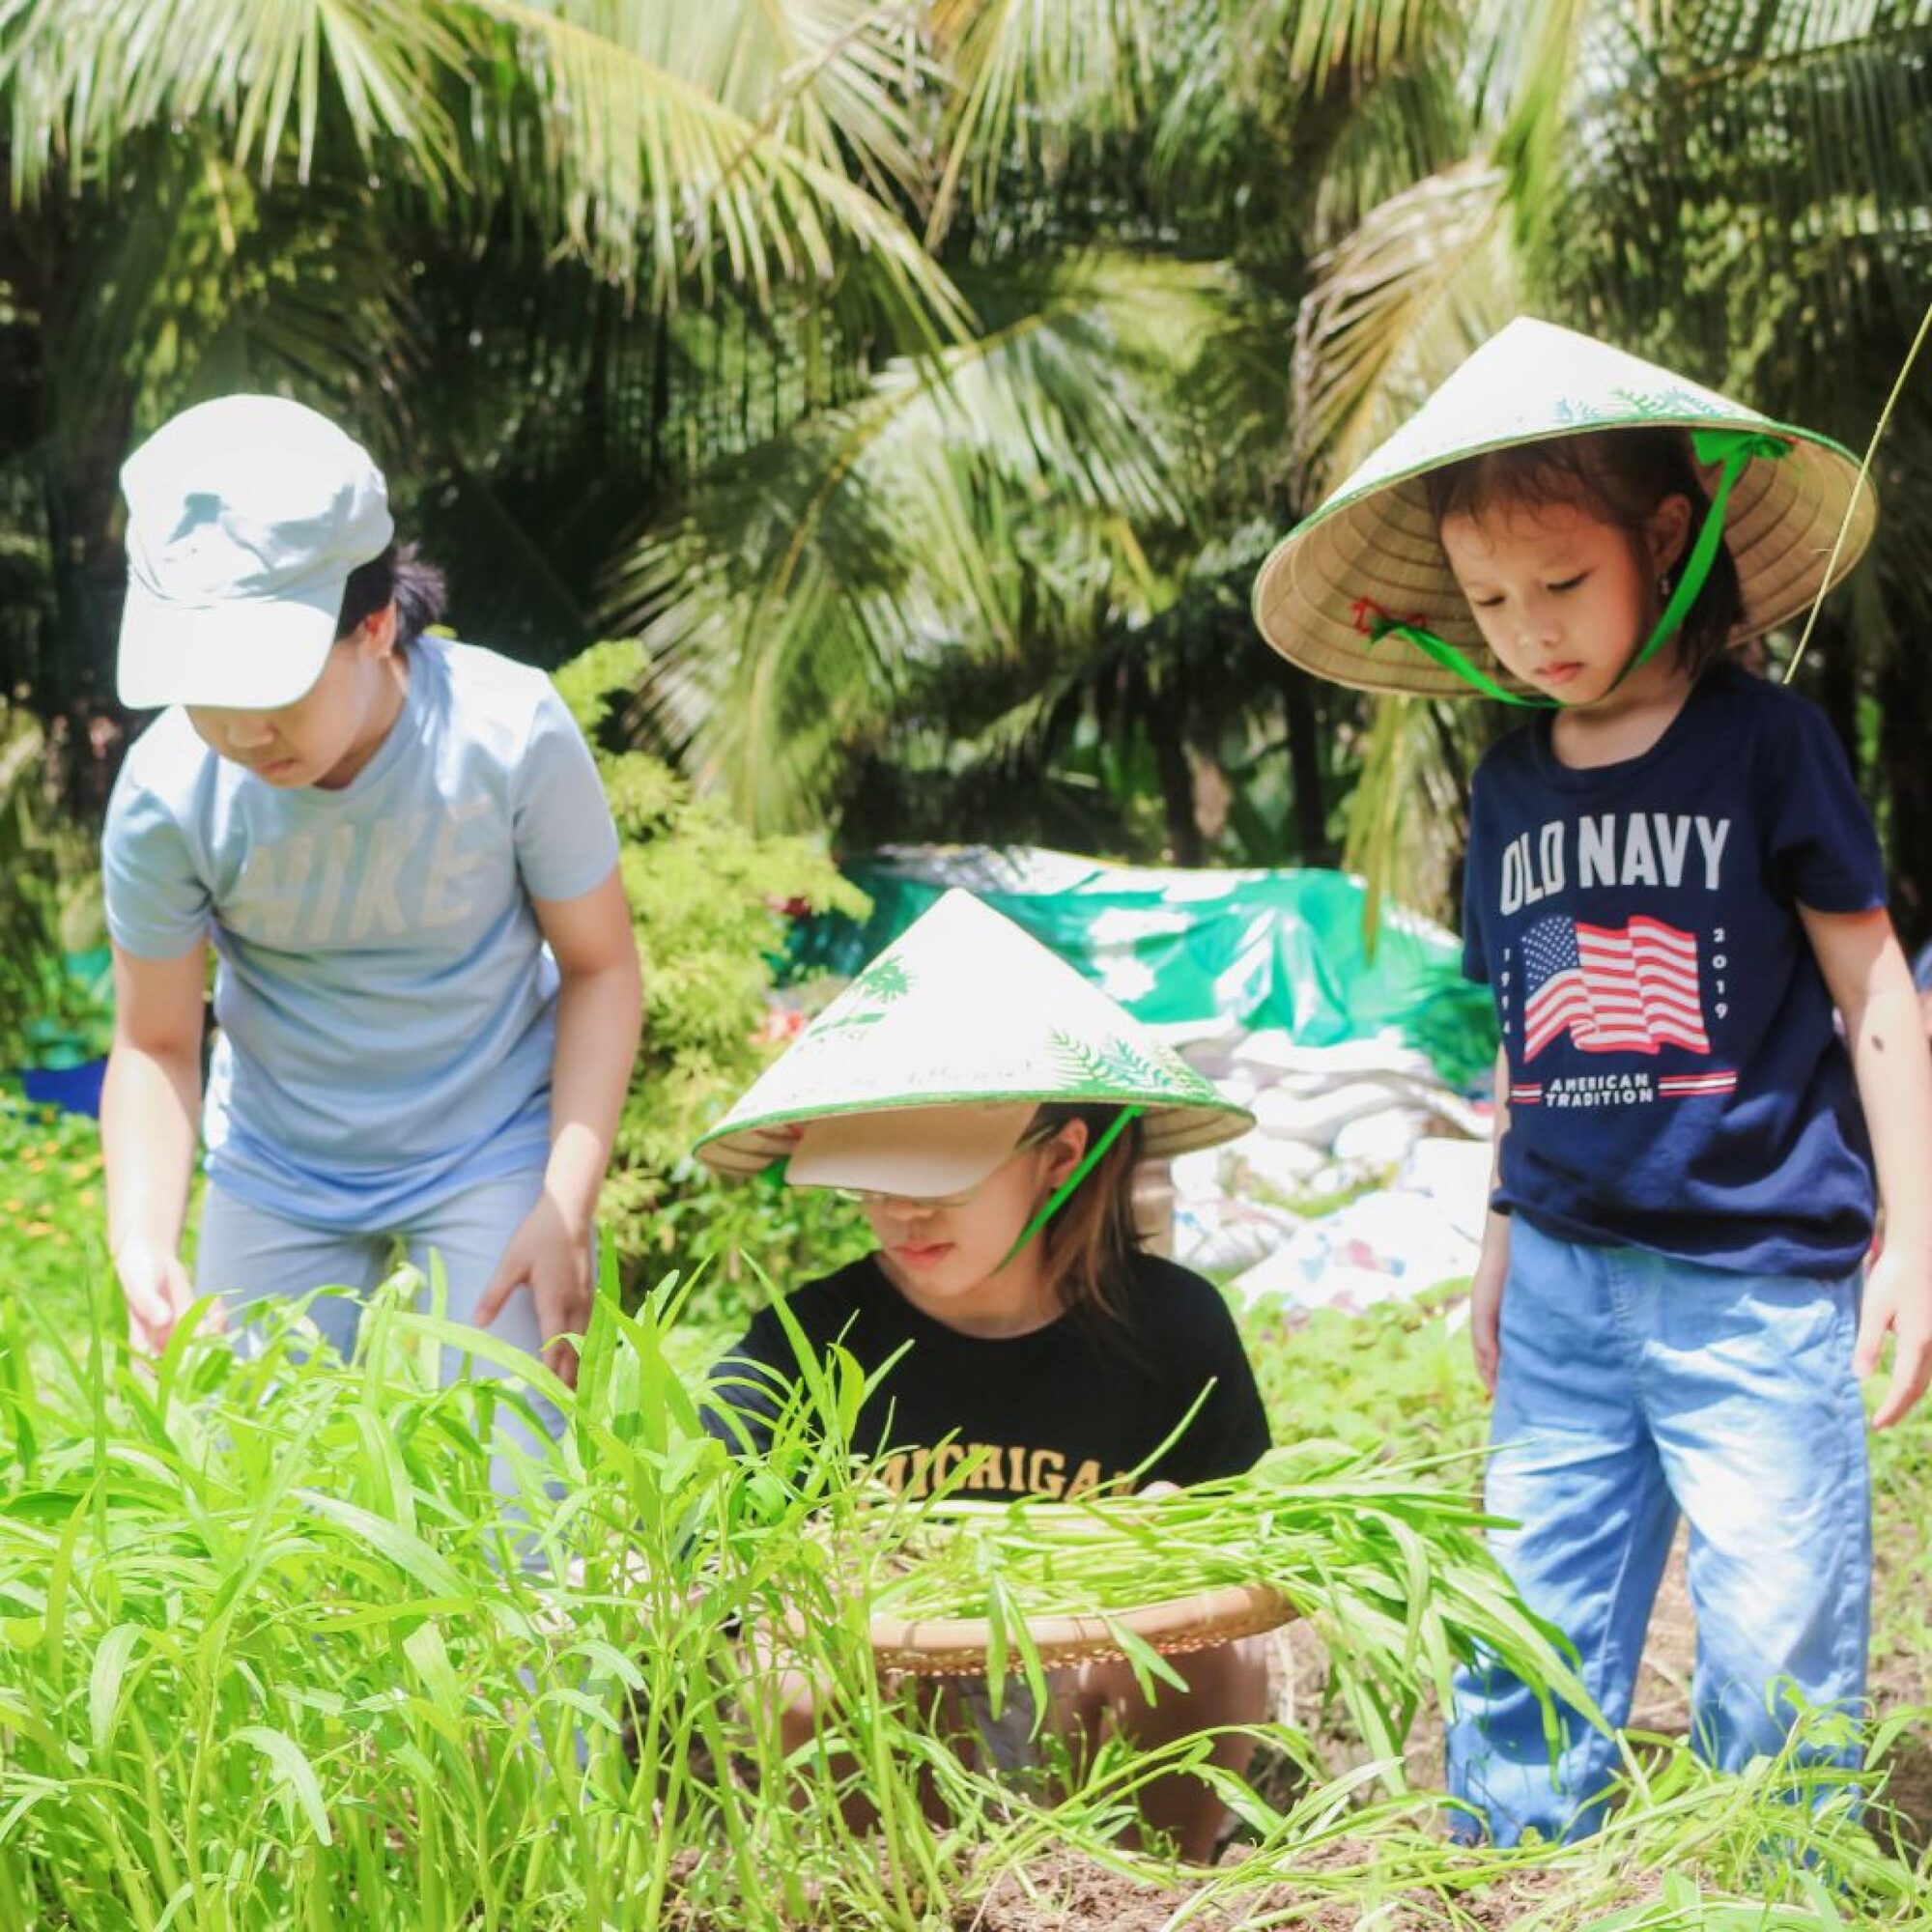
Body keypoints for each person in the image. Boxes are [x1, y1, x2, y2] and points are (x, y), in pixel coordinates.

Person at [1250, 317, 1932, 1843]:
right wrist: (1498, 1234)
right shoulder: (1510, 782)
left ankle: (1770, 1866)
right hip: (1560, 1270)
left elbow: (1876, 992)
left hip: (1753, 1279)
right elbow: (1526, 1034)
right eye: (1490, 601)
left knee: (1777, 1621)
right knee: (1528, 1606)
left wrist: (1918, 1237)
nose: (1528, 629)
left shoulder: (1769, 747)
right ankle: (1512, 1860)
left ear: (1668, 539)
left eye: (1562, 583)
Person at [100, 395, 641, 1440]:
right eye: (205, 692)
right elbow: (155, 1039)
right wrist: (140, 1239)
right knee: (249, 1505)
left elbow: (599, 967)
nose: (242, 729)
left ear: (374, 621)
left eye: (271, 683)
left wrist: (564, 1202)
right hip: (277, 1161)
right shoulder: (169, 791)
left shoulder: (508, 733)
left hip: (490, 1142)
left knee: (514, 1506)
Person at [695, 888, 1272, 1862]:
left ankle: (1145, 1896)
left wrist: (1179, 1538)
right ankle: (897, 1901)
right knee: (794, 1660)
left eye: (939, 1182)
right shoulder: (801, 1345)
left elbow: (1249, 1555)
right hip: (886, 1717)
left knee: (1209, 1645)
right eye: (874, 1181)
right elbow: (697, 1557)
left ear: (1057, 1155)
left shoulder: (1174, 1331)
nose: (900, 1216)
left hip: (1093, 1698)